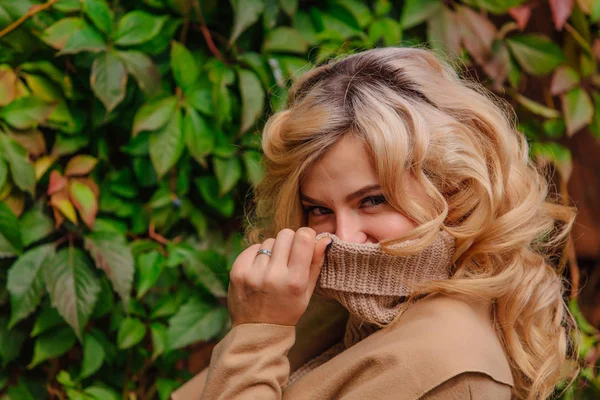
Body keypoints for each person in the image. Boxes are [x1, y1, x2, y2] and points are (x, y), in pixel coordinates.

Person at [171, 47, 577, 400]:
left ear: (454, 191)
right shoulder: (345, 308)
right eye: (317, 209)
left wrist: (256, 333)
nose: (344, 238)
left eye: (372, 200)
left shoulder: (445, 369)